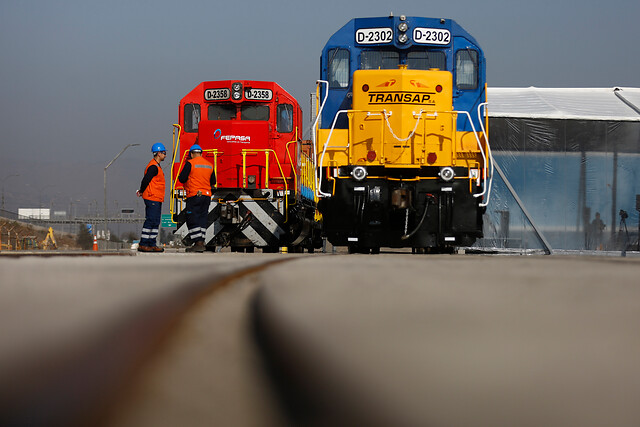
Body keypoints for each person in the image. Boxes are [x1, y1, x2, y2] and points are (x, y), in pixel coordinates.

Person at [178, 144, 216, 253]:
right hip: (206, 196)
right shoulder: (209, 165)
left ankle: (198, 242)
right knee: (202, 218)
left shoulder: (190, 163)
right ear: (201, 153)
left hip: (194, 195)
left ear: (191, 154)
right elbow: (213, 181)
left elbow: (182, 178)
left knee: (192, 218)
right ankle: (201, 241)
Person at [136, 143, 167, 252]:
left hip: (157, 198)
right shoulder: (153, 167)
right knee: (150, 221)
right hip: (151, 197)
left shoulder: (157, 166)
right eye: (164, 153)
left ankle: (151, 243)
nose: (165, 155)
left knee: (155, 221)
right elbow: (145, 180)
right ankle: (144, 243)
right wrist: (141, 191)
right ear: (158, 153)